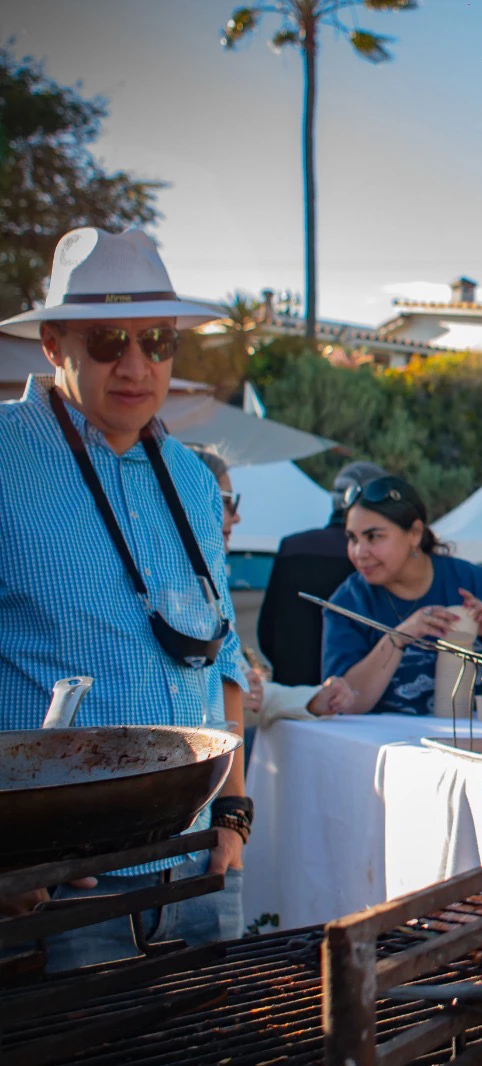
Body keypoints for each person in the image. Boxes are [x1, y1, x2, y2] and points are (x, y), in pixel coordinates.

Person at [0, 227, 249, 968]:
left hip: (199, 867)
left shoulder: (194, 479)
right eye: (108, 340)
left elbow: (222, 656)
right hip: (56, 884)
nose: (136, 365)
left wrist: (232, 816)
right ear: (53, 343)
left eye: (157, 340)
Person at [323, 475, 482, 715]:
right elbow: (343, 702)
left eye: (374, 537)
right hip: (384, 747)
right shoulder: (348, 603)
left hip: (477, 740)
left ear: (414, 533)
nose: (359, 552)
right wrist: (400, 636)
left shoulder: (476, 582)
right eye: (352, 538)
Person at [187, 445, 356, 725]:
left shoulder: (207, 588)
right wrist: (222, 698)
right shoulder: (161, 590)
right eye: (227, 502)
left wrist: (314, 699)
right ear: (189, 501)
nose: (237, 516)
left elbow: (249, 690)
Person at [257, 460, 387, 686]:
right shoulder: (374, 557)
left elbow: (267, 630)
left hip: (291, 692)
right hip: (350, 694)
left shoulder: (292, 546)